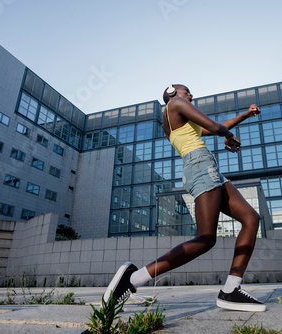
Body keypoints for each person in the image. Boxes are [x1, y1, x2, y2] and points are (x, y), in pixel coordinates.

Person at [103, 84, 265, 312]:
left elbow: (217, 127)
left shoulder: (183, 121)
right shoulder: (175, 104)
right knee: (205, 238)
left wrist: (245, 115)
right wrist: (227, 135)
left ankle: (231, 289)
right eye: (186, 91)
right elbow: (216, 127)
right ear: (172, 93)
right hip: (200, 166)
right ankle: (132, 280)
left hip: (209, 167)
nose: (191, 95)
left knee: (251, 219)